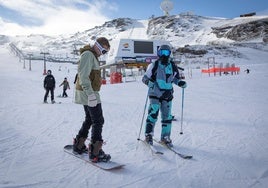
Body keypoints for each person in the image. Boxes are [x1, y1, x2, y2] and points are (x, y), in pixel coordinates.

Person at [73, 37, 111, 163]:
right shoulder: (88, 55)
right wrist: (91, 95)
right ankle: (95, 152)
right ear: (98, 46)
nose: (103, 54)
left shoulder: (91, 55)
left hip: (88, 93)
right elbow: (83, 76)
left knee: (90, 119)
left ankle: (79, 145)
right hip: (89, 94)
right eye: (104, 51)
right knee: (98, 120)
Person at [142, 45, 187, 147]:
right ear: (159, 53)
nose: (164, 55)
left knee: (167, 117)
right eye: (162, 52)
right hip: (155, 93)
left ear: (169, 54)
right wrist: (149, 82)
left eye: (166, 53)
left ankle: (165, 137)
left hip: (167, 94)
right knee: (153, 113)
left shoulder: (172, 66)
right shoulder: (154, 65)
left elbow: (175, 78)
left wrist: (180, 83)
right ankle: (148, 134)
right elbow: (144, 78)